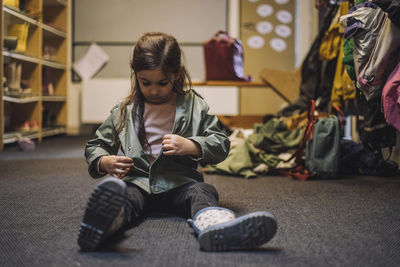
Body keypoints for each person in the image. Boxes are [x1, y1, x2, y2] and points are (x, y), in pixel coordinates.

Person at [78, 32, 277, 252]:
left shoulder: (194, 106)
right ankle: (105, 224)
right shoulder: (124, 110)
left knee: (203, 191)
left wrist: (192, 146)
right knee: (122, 196)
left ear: (177, 73)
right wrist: (104, 161)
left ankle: (217, 226)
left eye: (163, 83)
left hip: (180, 182)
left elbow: (221, 143)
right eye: (146, 83)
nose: (154, 90)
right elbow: (95, 145)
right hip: (138, 182)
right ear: (136, 76)